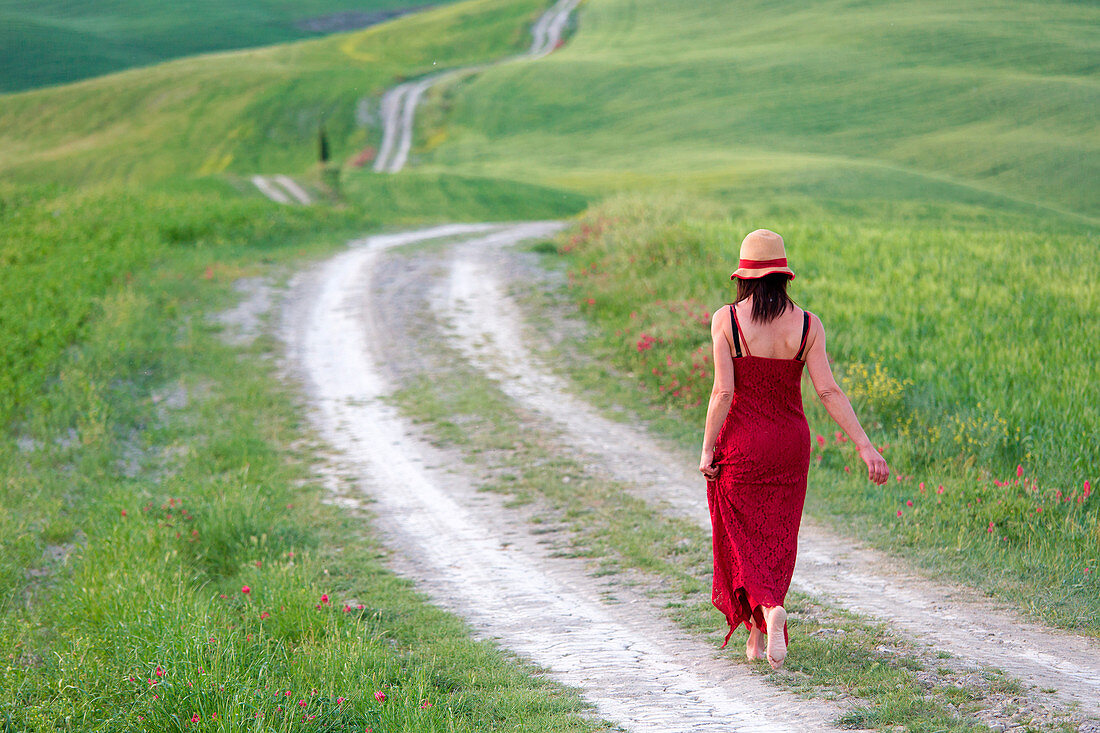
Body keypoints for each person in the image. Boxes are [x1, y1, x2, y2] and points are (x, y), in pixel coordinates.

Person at [698, 229, 889, 669]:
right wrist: (865, 445)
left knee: (741, 531)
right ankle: (763, 625)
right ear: (783, 275)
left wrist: (708, 449)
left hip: (743, 444)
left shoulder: (725, 320)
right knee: (778, 533)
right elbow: (828, 391)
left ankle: (765, 610)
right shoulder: (807, 324)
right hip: (790, 444)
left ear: (743, 277)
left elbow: (722, 393)